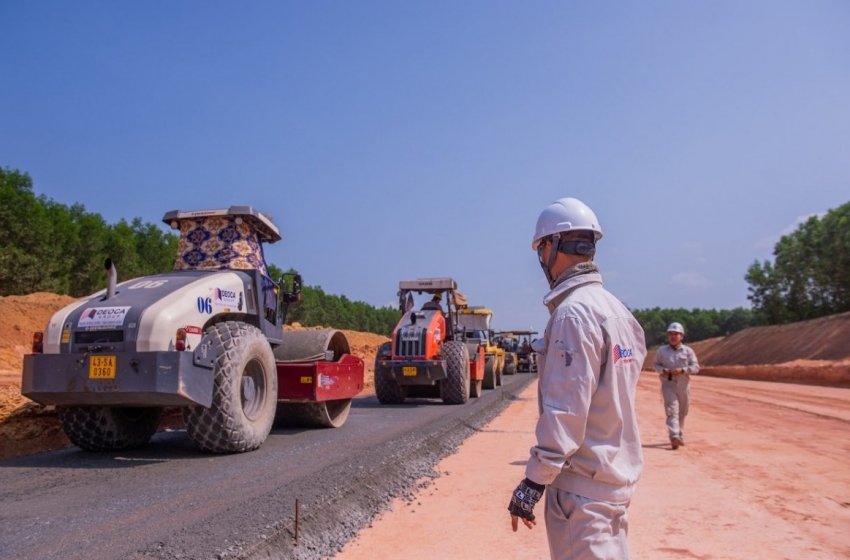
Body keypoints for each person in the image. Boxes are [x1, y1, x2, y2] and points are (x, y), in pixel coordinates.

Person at [508, 197, 647, 559]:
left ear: (552, 246)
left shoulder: (573, 315)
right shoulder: (618, 312)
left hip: (582, 495)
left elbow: (566, 411)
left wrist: (533, 482)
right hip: (612, 487)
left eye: (541, 249)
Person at [652, 322, 699, 450]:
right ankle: (674, 436)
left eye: (676, 334)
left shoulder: (688, 351)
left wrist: (682, 370)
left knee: (683, 412)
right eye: (671, 334)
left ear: (681, 336)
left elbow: (696, 367)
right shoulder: (661, 351)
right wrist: (663, 370)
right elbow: (655, 365)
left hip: (683, 385)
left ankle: (680, 434)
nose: (673, 336)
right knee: (672, 411)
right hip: (668, 385)